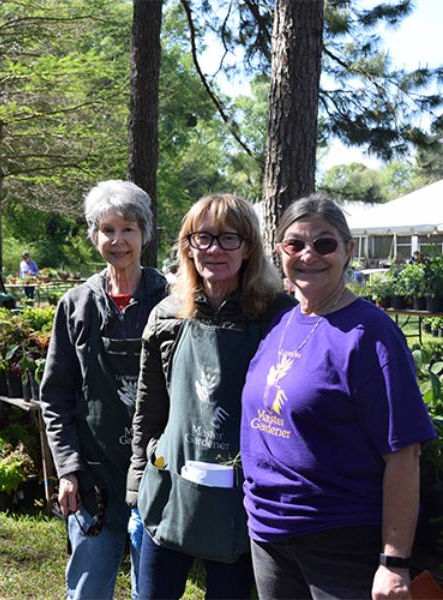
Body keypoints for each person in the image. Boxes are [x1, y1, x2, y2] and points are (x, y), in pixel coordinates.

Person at [240, 195, 437, 600]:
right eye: (295, 243)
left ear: (348, 250)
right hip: (268, 535)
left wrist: (394, 561)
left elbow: (404, 454)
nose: (309, 254)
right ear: (280, 251)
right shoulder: (283, 322)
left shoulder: (370, 334)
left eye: (325, 244)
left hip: (339, 539)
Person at [127, 194, 293, 600]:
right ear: (188, 246)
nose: (214, 249)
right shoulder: (167, 315)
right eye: (203, 238)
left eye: (228, 238)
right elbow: (149, 407)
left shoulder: (277, 317)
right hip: (171, 488)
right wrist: (136, 481)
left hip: (240, 501)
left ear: (249, 246)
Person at [40, 180, 169, 600]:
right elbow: (56, 396)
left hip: (157, 473)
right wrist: (67, 468)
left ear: (145, 234)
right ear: (94, 235)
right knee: (89, 588)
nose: (118, 241)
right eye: (107, 229)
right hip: (93, 476)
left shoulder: (171, 300)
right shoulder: (76, 304)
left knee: (152, 592)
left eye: (128, 229)